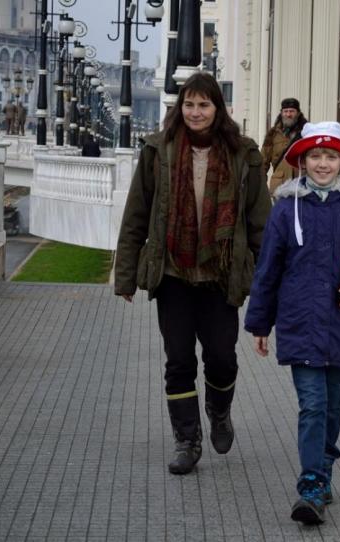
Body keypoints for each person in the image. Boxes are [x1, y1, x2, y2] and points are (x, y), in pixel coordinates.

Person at [245, 121, 340, 525]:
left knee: (332, 407)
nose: (322, 163)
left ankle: (324, 469)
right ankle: (311, 484)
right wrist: (260, 322)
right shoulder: (285, 209)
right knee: (312, 406)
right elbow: (268, 269)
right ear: (302, 161)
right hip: (299, 321)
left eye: (330, 156)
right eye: (314, 155)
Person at [114, 73, 270, 476]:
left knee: (221, 358)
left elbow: (260, 224)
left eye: (204, 105)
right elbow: (136, 215)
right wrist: (126, 274)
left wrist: (268, 280)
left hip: (221, 275)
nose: (195, 112)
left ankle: (219, 410)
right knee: (179, 360)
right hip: (173, 272)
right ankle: (187, 439)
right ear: (179, 108)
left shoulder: (244, 153)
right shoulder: (158, 150)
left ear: (218, 109)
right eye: (189, 104)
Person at [261, 97, 308, 194]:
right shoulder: (273, 134)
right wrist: (260, 185)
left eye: (292, 111)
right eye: (285, 111)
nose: (288, 114)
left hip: (301, 184)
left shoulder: (307, 132)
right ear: (281, 113)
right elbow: (263, 161)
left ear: (298, 113)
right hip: (279, 185)